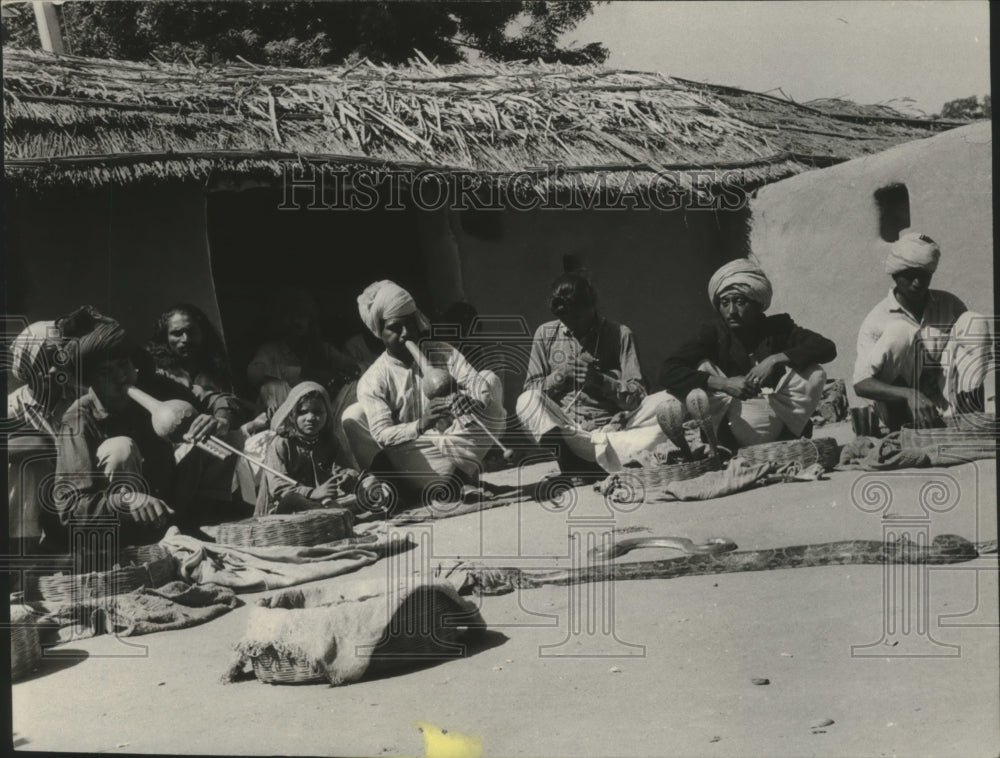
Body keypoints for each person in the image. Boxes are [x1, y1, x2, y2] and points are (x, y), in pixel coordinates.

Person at [51, 309, 235, 548]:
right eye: (106, 372)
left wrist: (220, 420)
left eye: (123, 365)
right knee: (120, 448)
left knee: (215, 438)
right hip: (123, 532)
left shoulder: (153, 388)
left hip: (172, 510)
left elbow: (215, 400)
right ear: (91, 381)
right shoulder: (77, 420)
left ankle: (204, 524)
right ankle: (137, 551)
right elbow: (71, 508)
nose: (121, 378)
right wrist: (124, 501)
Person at [341, 280, 505, 501]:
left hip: (458, 441)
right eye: (395, 327)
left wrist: (470, 399)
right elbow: (382, 434)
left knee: (489, 381)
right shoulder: (374, 378)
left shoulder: (443, 353)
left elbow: (478, 385)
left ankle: (456, 480)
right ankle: (451, 481)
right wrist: (421, 424)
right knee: (353, 414)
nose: (407, 333)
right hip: (418, 457)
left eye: (410, 323)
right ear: (379, 331)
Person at [659, 258, 836, 448]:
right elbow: (667, 371)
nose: (731, 311)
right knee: (703, 367)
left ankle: (785, 443)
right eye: (725, 303)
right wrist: (724, 383)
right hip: (732, 422)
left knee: (815, 373)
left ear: (757, 304)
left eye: (740, 302)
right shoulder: (713, 332)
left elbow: (826, 347)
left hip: (778, 418)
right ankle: (723, 446)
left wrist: (775, 359)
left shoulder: (777, 328)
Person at [516, 273, 673, 478]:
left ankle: (595, 463)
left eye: (578, 318)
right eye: (564, 320)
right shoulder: (545, 334)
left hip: (615, 430)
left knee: (667, 401)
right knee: (526, 401)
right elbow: (530, 390)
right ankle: (570, 462)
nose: (571, 325)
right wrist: (560, 376)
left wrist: (601, 381)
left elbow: (639, 395)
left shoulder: (620, 333)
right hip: (571, 433)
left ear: (592, 306)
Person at [853, 232, 994, 431]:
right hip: (900, 409)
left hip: (943, 402)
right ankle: (906, 427)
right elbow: (861, 384)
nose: (917, 283)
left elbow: (970, 352)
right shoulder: (876, 319)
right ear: (895, 274)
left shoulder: (949, 304)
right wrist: (909, 393)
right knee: (901, 332)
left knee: (974, 322)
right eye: (910, 276)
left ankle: (971, 417)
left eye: (924, 275)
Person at [254, 381, 362, 516]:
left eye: (318, 412)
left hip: (324, 501)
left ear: (327, 414)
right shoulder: (281, 443)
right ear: (292, 416)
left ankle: (334, 513)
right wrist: (312, 493)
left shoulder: (330, 442)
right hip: (286, 510)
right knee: (293, 500)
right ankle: (335, 514)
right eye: (303, 412)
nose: (310, 418)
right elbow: (278, 486)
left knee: (370, 485)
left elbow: (342, 468)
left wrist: (346, 476)